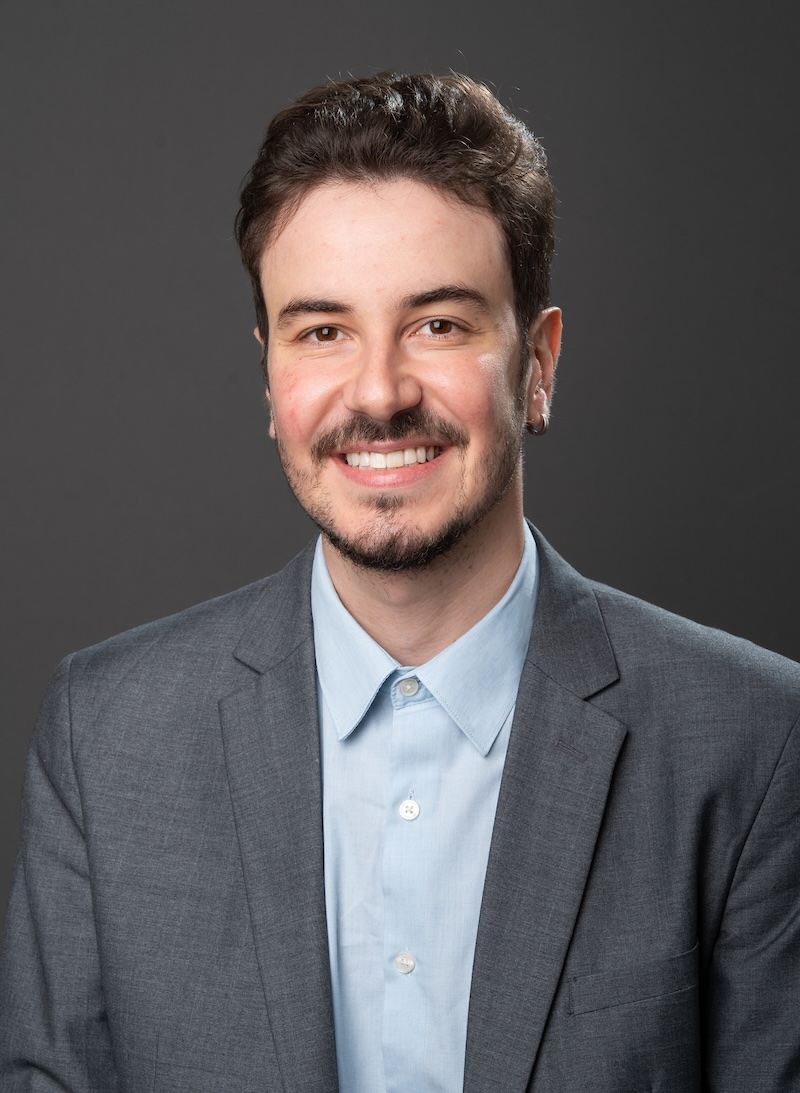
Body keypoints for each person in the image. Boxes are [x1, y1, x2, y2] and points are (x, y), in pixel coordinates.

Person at [1, 71, 798, 1093]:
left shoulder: (754, 744)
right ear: (270, 375)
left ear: (537, 364)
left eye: (439, 323)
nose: (377, 392)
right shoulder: (103, 738)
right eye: (322, 330)